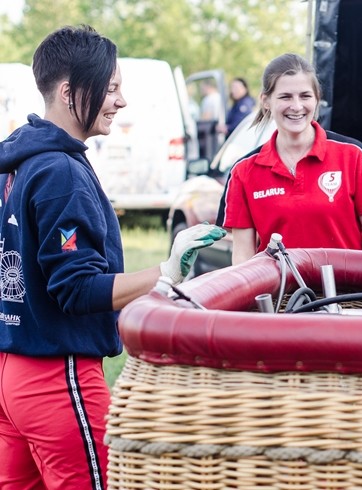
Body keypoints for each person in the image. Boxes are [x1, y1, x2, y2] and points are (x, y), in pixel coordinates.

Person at [0, 25, 225, 489]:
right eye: (111, 86)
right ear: (68, 91)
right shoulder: (59, 170)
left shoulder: (19, 160)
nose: (120, 101)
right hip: (57, 374)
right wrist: (166, 271)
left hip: (10, 370)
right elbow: (76, 288)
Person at [217, 53, 362, 263]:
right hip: (279, 295)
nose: (297, 106)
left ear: (317, 99)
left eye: (305, 96)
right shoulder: (243, 171)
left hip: (346, 294)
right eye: (285, 97)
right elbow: (243, 255)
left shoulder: (353, 156)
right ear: (266, 101)